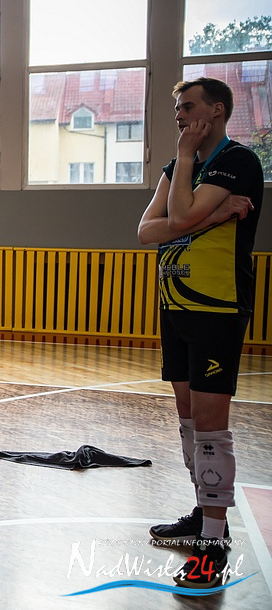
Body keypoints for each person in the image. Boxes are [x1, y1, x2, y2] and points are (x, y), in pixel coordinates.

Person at [138, 77, 263, 589]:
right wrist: (211, 218)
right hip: (176, 305)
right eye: (177, 108)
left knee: (211, 428)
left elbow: (180, 214)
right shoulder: (176, 168)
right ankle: (206, 515)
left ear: (217, 110)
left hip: (217, 306)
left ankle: (212, 545)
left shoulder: (238, 161)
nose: (179, 115)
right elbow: (146, 232)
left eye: (188, 107)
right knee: (189, 424)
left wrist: (187, 164)